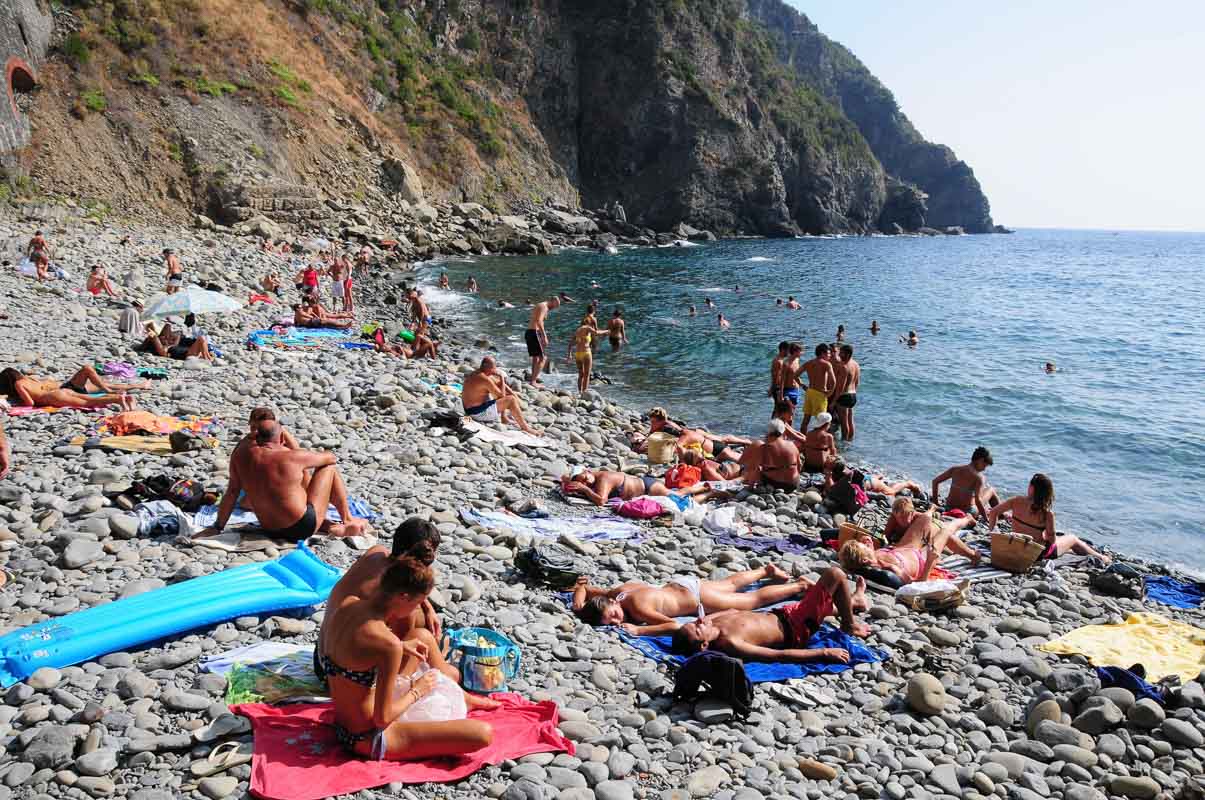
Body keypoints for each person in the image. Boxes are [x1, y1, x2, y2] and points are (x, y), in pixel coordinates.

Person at [321, 557, 496, 760]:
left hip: (342, 723)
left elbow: (351, 652)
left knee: (421, 636)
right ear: (403, 597)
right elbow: (382, 719)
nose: (416, 610)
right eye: (418, 603)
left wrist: (403, 646)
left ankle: (463, 698)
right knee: (483, 733)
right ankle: (461, 698)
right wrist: (417, 691)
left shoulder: (348, 605)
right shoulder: (387, 644)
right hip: (367, 737)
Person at [316, 517, 449, 684]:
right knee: (422, 631)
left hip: (323, 660)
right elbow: (396, 650)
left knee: (421, 618)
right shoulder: (394, 600)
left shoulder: (376, 553)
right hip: (345, 678)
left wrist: (427, 605)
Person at [199, 419, 370, 541]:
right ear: (281, 439)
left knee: (296, 492)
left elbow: (232, 492)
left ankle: (333, 527)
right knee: (328, 469)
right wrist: (289, 440)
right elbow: (330, 458)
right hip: (301, 529)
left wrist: (218, 527)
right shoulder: (291, 457)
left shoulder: (240, 455)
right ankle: (347, 519)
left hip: (268, 528)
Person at [669, 566, 870, 662]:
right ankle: (849, 625)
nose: (698, 621)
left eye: (694, 622)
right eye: (697, 628)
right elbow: (777, 655)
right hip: (797, 628)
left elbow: (731, 611)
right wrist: (824, 653)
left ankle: (854, 603)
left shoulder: (709, 623)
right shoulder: (731, 642)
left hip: (784, 613)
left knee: (823, 604)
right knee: (834, 574)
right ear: (704, 645)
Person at [574, 563, 807, 635]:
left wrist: (639, 630)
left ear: (613, 604)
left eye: (613, 616)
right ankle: (766, 571)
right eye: (611, 622)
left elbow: (672, 625)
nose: (617, 621)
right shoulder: (618, 593)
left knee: (751, 600)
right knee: (731, 584)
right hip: (683, 585)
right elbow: (583, 587)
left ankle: (800, 585)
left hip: (697, 599)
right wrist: (577, 604)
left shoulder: (637, 607)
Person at [839, 500, 980, 584]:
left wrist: (871, 544)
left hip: (902, 548)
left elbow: (874, 546)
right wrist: (931, 559)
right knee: (945, 531)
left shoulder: (872, 558)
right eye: (863, 546)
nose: (865, 543)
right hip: (920, 558)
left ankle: (932, 511)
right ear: (864, 559)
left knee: (926, 520)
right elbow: (917, 583)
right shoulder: (890, 568)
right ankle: (966, 523)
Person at [987, 474, 1109, 562]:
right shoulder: (1047, 513)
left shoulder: (1015, 501)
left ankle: (1078, 551)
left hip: (1015, 547)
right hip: (1035, 553)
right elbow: (1052, 540)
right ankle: (1102, 558)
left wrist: (992, 534)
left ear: (1032, 488)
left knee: (1066, 544)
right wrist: (1044, 536)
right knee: (1072, 539)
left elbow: (993, 513)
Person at [461, 357, 540, 435]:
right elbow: (502, 395)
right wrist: (502, 378)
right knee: (510, 400)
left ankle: (504, 417)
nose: (495, 370)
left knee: (505, 392)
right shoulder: (485, 379)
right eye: (494, 368)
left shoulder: (478, 373)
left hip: (469, 409)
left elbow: (497, 383)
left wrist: (513, 393)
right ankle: (526, 428)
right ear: (489, 368)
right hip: (476, 413)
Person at [0, 367, 137, 411]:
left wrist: (17, 403)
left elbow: (30, 403)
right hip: (61, 390)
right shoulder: (29, 379)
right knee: (87, 399)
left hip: (53, 397)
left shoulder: (19, 385)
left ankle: (118, 399)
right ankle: (121, 398)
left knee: (87, 402)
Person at [647, 407, 748, 463]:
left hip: (717, 449)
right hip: (702, 439)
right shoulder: (666, 424)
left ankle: (749, 444)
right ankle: (747, 443)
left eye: (653, 422)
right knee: (722, 439)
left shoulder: (683, 435)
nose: (651, 424)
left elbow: (676, 449)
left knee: (743, 459)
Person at [932, 447, 999, 519]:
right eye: (985, 466)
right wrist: (985, 518)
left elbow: (935, 482)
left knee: (973, 495)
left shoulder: (955, 469)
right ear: (981, 460)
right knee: (991, 490)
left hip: (948, 508)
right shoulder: (979, 477)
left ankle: (1000, 513)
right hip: (966, 512)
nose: (984, 469)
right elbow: (978, 500)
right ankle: (1000, 513)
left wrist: (936, 503)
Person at [560, 467, 676, 506]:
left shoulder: (604, 477)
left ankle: (694, 489)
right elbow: (563, 478)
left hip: (648, 487)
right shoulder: (592, 480)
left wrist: (584, 489)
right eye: (584, 483)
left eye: (585, 478)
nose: (587, 483)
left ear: (587, 471)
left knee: (678, 496)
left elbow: (601, 501)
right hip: (643, 488)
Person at [739, 419, 800, 492]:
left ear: (768, 432)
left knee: (758, 469)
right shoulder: (792, 445)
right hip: (793, 484)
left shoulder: (764, 447)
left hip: (776, 484)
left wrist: (750, 487)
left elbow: (755, 469)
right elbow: (799, 465)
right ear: (783, 431)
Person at [796, 343, 835, 432]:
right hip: (819, 394)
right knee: (822, 421)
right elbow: (833, 381)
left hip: (809, 392)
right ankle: (817, 441)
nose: (830, 355)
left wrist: (802, 385)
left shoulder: (808, 363)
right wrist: (830, 393)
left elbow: (795, 375)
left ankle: (803, 440)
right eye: (828, 353)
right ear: (822, 353)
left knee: (806, 420)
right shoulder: (827, 364)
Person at [525, 296, 561, 385]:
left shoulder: (540, 305)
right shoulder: (544, 306)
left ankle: (532, 379)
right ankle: (533, 381)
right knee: (543, 358)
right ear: (552, 301)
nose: (554, 308)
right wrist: (544, 336)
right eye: (554, 306)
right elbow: (539, 321)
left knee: (536, 358)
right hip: (534, 333)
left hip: (530, 332)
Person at [569, 316, 608, 394]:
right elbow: (596, 333)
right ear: (589, 323)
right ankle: (584, 392)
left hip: (577, 354)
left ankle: (580, 392)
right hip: (586, 353)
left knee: (581, 374)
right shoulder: (587, 328)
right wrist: (606, 331)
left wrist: (569, 355)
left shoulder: (577, 330)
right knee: (587, 374)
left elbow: (570, 344)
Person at [137, 322, 214, 361]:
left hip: (188, 352)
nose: (165, 338)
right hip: (187, 354)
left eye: (165, 337)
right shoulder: (164, 349)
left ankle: (207, 357)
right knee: (201, 339)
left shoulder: (172, 345)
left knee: (203, 340)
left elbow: (176, 334)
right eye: (163, 338)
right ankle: (207, 358)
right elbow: (161, 351)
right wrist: (154, 337)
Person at [833, 344, 860, 441]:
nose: (839, 354)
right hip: (853, 395)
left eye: (841, 353)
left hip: (844, 396)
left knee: (844, 423)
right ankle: (850, 440)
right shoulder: (856, 364)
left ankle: (844, 444)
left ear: (847, 354)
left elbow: (840, 388)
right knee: (850, 420)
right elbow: (857, 382)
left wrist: (833, 402)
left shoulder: (844, 367)